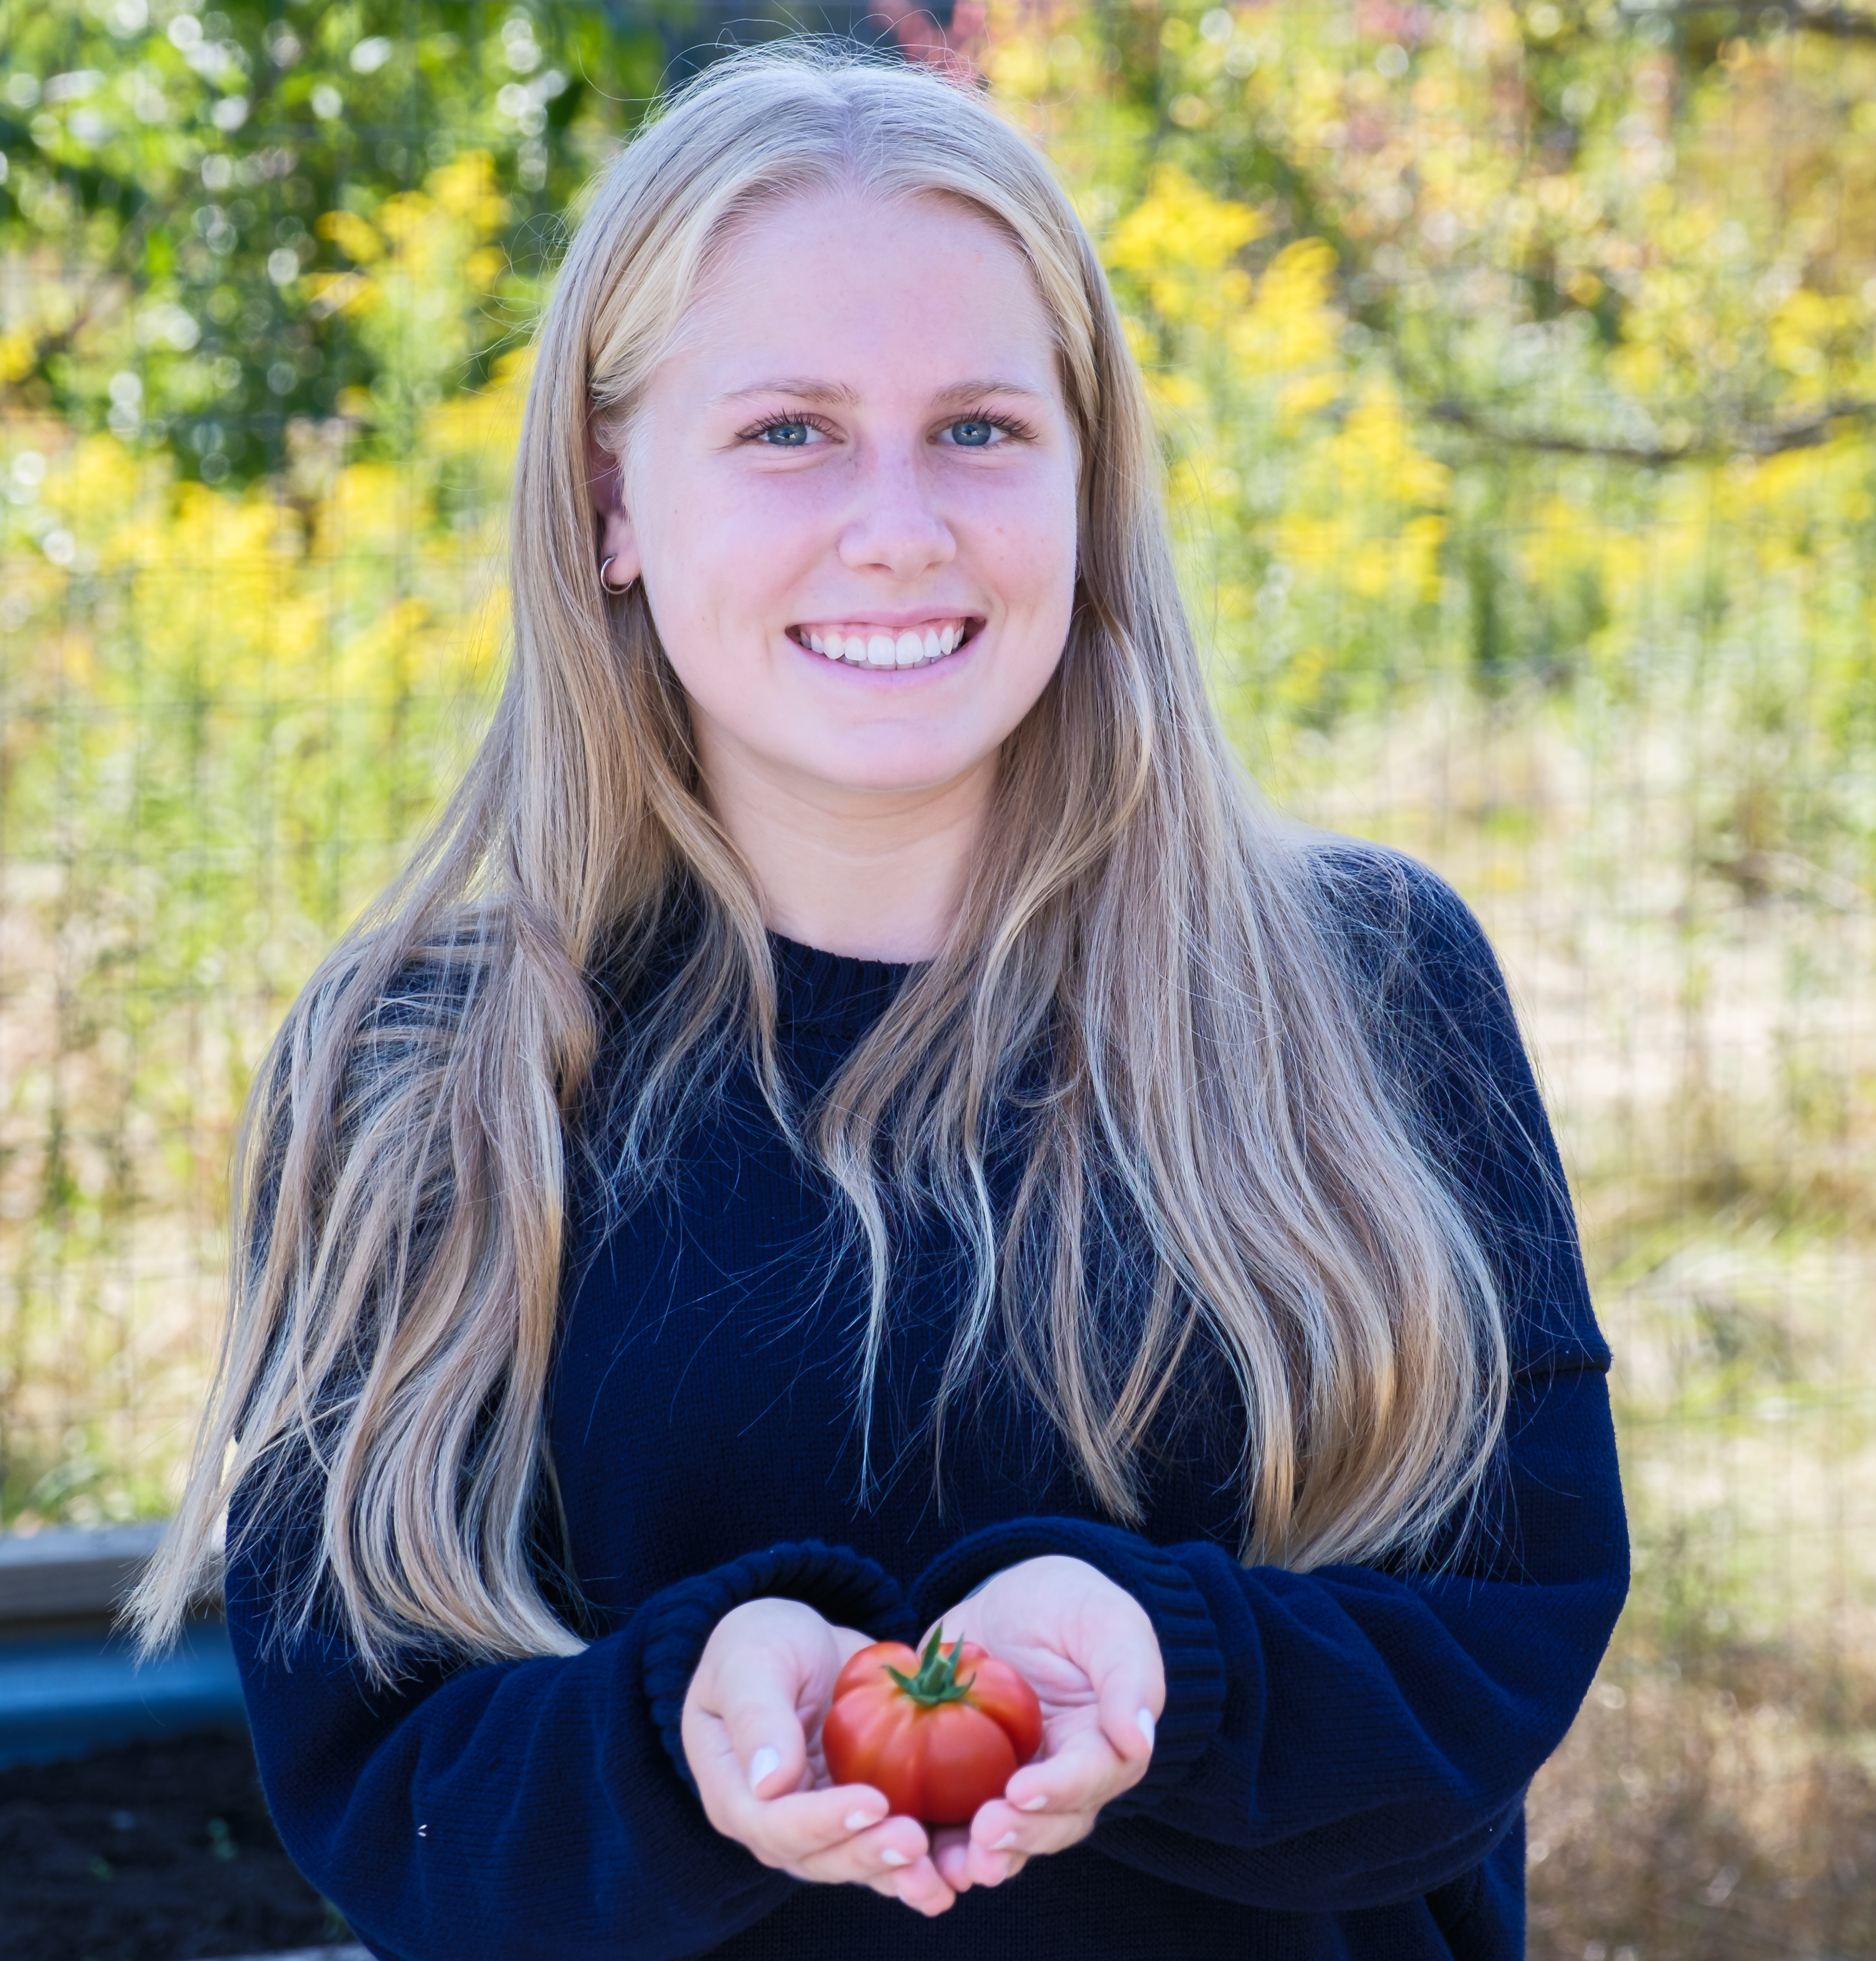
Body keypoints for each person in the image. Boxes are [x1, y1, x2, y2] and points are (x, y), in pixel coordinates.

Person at [135, 43, 1628, 1961]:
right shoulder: (418, 1064)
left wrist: (1172, 1669)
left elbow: (1500, 1639)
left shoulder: (1363, 987)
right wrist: (679, 1724)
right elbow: (384, 1785)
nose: (899, 523)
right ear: (609, 499)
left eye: (981, 429)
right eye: (788, 431)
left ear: (1089, 485)